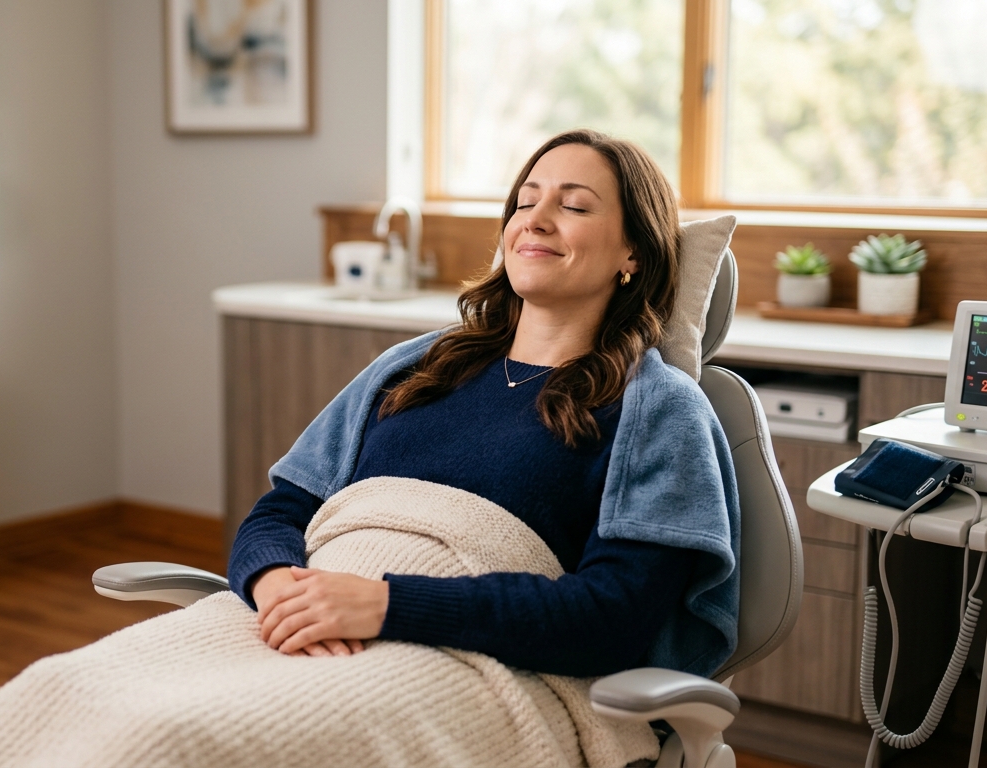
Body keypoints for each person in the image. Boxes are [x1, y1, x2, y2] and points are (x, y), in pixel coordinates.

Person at [228, 128, 740, 678]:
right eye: (525, 202)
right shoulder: (413, 367)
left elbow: (612, 618)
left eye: (572, 206)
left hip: (458, 668)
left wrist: (383, 605)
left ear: (633, 252)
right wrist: (277, 586)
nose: (535, 220)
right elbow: (280, 511)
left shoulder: (658, 410)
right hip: (292, 624)